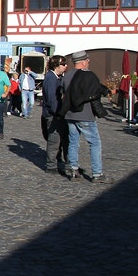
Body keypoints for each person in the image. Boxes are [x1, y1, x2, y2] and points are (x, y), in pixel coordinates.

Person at [60, 50, 111, 183]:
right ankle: (97, 173)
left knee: (73, 142)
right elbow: (94, 93)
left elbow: (63, 93)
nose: (89, 63)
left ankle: (73, 169)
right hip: (85, 114)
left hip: (70, 114)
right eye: (88, 61)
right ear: (83, 62)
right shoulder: (88, 76)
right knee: (94, 143)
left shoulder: (67, 76)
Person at [40, 55, 69, 174]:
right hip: (53, 114)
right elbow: (52, 99)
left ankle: (58, 161)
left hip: (57, 113)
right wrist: (58, 112)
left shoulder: (58, 77)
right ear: (56, 65)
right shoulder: (51, 78)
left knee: (60, 140)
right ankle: (51, 165)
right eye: (63, 64)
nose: (66, 66)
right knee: (54, 140)